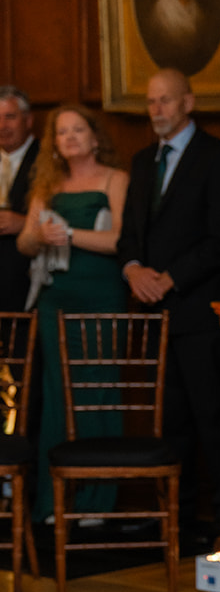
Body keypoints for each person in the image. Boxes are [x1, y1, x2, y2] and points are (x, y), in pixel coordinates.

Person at [116, 68, 220, 546]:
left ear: (188, 103)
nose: (157, 110)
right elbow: (130, 233)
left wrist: (170, 278)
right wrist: (132, 268)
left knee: (211, 421)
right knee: (167, 425)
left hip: (199, 314)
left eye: (166, 100)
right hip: (152, 317)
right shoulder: (142, 161)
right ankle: (174, 520)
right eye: (151, 102)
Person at [17, 105, 128, 523]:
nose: (70, 138)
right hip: (55, 299)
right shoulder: (47, 184)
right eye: (62, 132)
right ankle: (56, 502)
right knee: (57, 393)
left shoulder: (115, 180)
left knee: (98, 389)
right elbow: (25, 245)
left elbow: (122, 240)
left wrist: (69, 234)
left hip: (101, 295)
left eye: (78, 130)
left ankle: (97, 501)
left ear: (95, 136)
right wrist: (37, 234)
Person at [0, 86, 39, 313]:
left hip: (25, 274)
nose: (2, 126)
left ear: (28, 120)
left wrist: (24, 223)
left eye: (10, 117)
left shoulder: (49, 157)